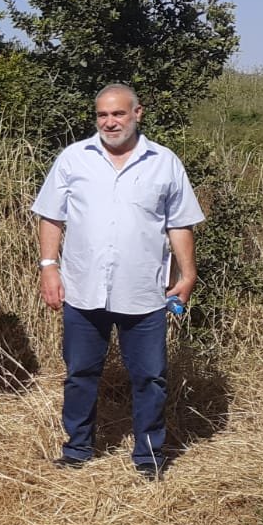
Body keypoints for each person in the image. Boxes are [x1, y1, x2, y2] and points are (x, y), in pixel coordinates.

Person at [32, 83, 204, 480]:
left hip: (143, 292)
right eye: (103, 115)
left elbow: (179, 223)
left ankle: (148, 458)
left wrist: (188, 274)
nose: (110, 122)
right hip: (82, 288)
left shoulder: (164, 162)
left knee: (150, 377)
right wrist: (48, 267)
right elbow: (51, 216)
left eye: (118, 114)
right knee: (80, 373)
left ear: (137, 113)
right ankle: (77, 450)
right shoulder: (74, 159)